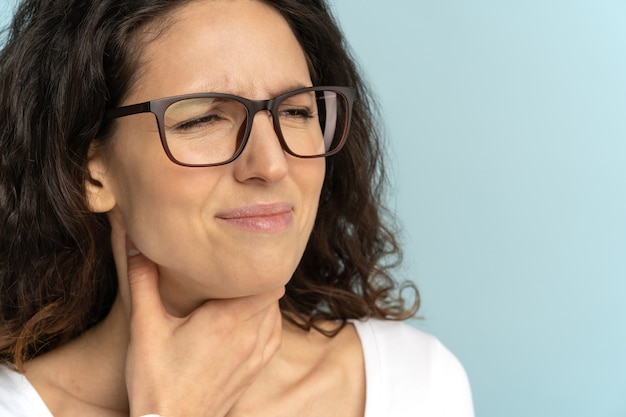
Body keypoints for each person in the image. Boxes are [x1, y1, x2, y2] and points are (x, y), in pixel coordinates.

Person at [0, 0, 474, 416]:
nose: (271, 163)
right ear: (92, 173)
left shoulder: (418, 384)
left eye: (296, 111)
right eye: (203, 118)